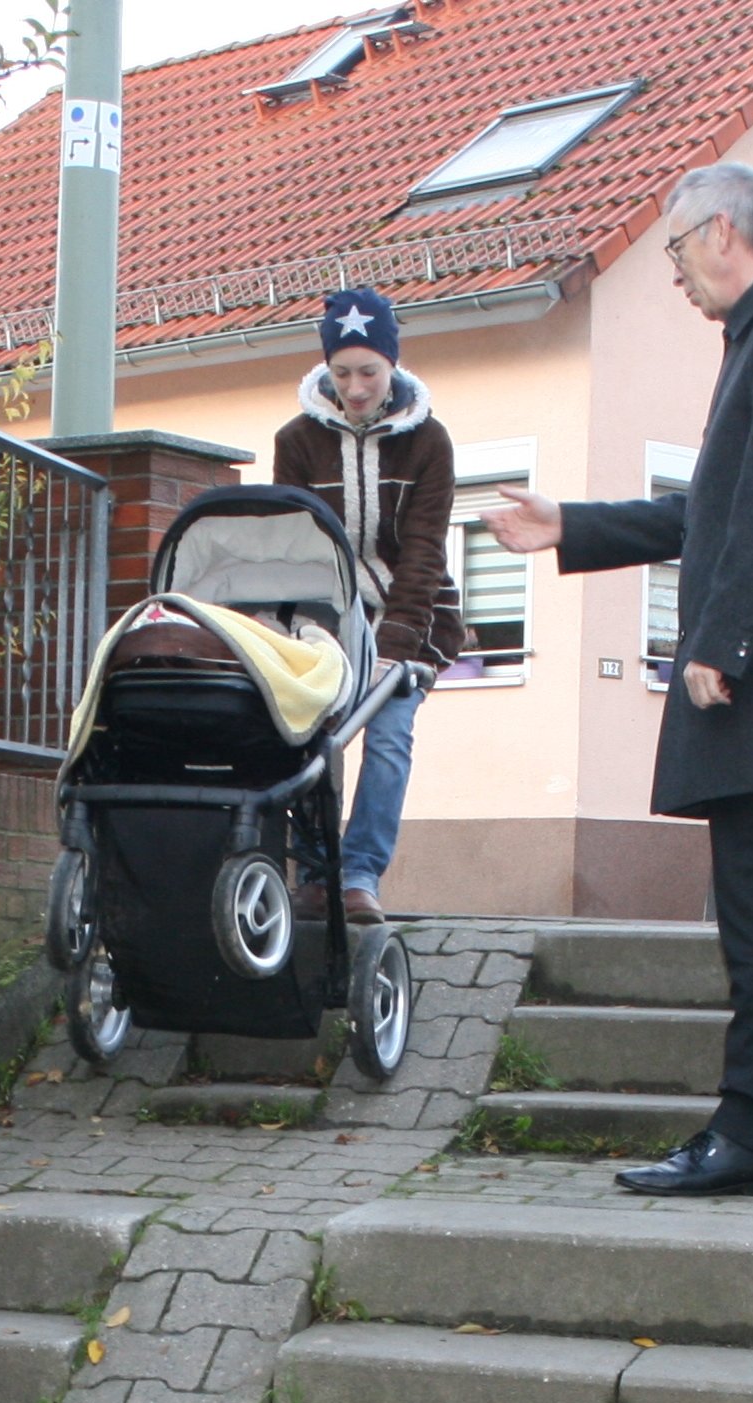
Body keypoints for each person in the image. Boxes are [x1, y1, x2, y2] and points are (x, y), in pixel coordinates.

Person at [480, 164, 753, 1197]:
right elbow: (715, 508)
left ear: (720, 230)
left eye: (673, 249)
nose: (673, 275)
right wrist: (570, 526)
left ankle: (747, 1136)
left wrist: (720, 641)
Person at [272, 288, 460, 926]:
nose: (355, 388)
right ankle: (314, 875)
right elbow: (297, 545)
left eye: (369, 372)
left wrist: (396, 645)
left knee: (388, 733)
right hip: (322, 615)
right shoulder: (297, 441)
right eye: (342, 372)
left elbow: (425, 552)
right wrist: (311, 630)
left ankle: (358, 876)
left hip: (410, 616)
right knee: (308, 736)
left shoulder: (428, 442)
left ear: (392, 365)